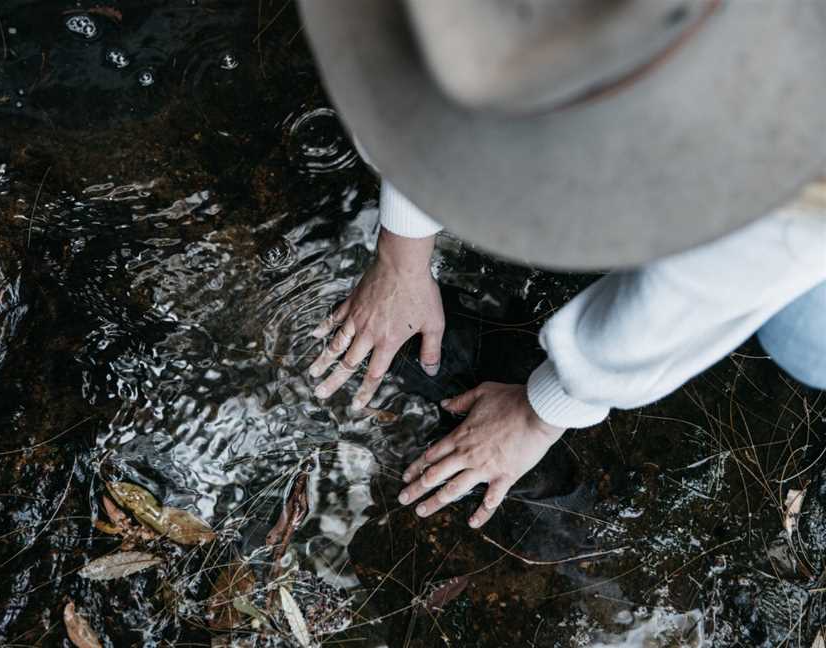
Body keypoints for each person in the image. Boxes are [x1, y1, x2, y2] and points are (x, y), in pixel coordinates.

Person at [298, 0, 826, 529]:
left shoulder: (785, 173)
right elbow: (417, 73)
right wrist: (401, 255)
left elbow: (684, 301)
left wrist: (542, 412)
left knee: (806, 342)